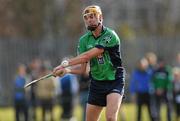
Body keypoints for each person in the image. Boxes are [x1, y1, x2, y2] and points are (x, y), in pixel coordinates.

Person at [53, 5, 125, 121]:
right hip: (97, 83)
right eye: (86, 18)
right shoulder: (83, 41)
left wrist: (64, 64)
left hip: (114, 80)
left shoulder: (110, 35)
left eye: (92, 16)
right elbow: (83, 69)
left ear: (100, 17)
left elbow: (86, 56)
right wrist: (66, 71)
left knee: (111, 117)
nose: (89, 20)